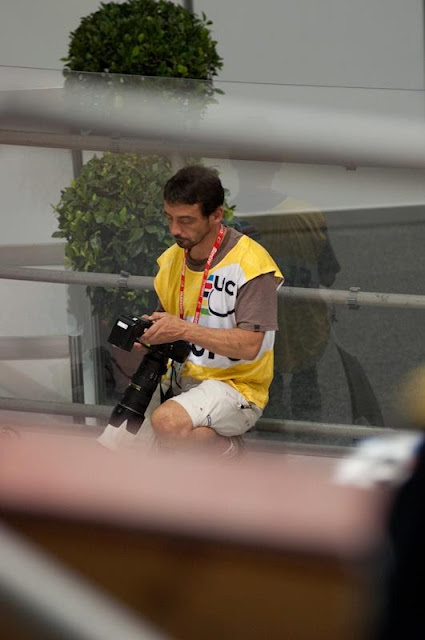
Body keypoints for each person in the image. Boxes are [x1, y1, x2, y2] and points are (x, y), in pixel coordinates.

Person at [98, 164, 283, 457]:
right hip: (178, 378)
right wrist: (151, 333)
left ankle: (229, 452)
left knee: (167, 423)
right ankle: (209, 451)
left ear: (216, 215)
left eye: (186, 220)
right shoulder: (171, 260)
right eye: (169, 218)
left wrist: (183, 329)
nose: (174, 230)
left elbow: (250, 345)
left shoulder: (251, 265)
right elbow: (169, 321)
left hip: (237, 387)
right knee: (116, 446)